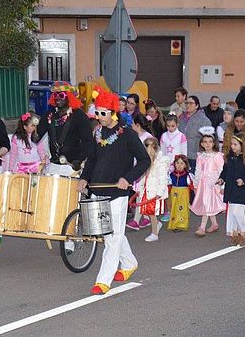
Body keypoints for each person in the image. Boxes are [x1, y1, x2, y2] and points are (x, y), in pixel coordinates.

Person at [77, 86, 150, 296]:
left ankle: (103, 281)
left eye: (103, 113)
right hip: (98, 190)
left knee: (113, 236)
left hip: (118, 194)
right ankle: (129, 263)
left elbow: (145, 160)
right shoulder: (97, 132)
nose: (99, 117)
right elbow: (92, 159)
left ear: (113, 113)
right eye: (97, 113)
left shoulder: (127, 134)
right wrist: (84, 178)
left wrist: (127, 178)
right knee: (111, 234)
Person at [37, 82, 93, 177]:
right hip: (53, 166)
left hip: (71, 167)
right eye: (55, 95)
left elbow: (88, 141)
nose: (58, 98)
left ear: (69, 97)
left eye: (61, 95)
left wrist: (79, 160)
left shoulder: (79, 116)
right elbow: (37, 137)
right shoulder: (49, 115)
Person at [218, 135, 245, 246]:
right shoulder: (230, 157)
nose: (232, 146)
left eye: (235, 144)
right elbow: (225, 170)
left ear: (242, 145)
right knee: (231, 213)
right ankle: (234, 233)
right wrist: (222, 179)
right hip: (231, 188)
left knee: (237, 212)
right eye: (232, 144)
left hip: (241, 189)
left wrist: (244, 180)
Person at [134, 137, 171, 242]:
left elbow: (163, 179)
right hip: (147, 188)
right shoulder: (146, 160)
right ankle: (157, 226)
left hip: (154, 190)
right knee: (146, 210)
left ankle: (155, 233)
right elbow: (143, 176)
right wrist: (139, 188)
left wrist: (159, 192)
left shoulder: (161, 162)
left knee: (151, 212)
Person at [191, 130, 226, 237]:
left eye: (210, 142)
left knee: (207, 204)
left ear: (214, 143)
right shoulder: (200, 156)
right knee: (207, 203)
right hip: (203, 184)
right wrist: (196, 184)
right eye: (205, 142)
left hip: (213, 183)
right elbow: (197, 171)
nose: (207, 144)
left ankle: (202, 227)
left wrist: (222, 185)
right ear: (201, 144)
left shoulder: (217, 156)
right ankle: (214, 223)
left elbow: (222, 171)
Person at [179, 96, 212, 170]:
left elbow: (209, 139)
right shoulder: (181, 118)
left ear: (197, 106)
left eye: (191, 103)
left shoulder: (204, 120)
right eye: (186, 103)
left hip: (195, 156)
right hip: (182, 156)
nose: (188, 105)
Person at [167, 155, 194, 231]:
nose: (179, 165)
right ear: (174, 164)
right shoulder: (171, 174)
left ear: (185, 165)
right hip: (174, 193)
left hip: (183, 193)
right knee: (174, 208)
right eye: (177, 163)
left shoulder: (187, 175)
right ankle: (174, 223)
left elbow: (192, 185)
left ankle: (182, 224)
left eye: (182, 163)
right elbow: (168, 184)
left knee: (182, 209)